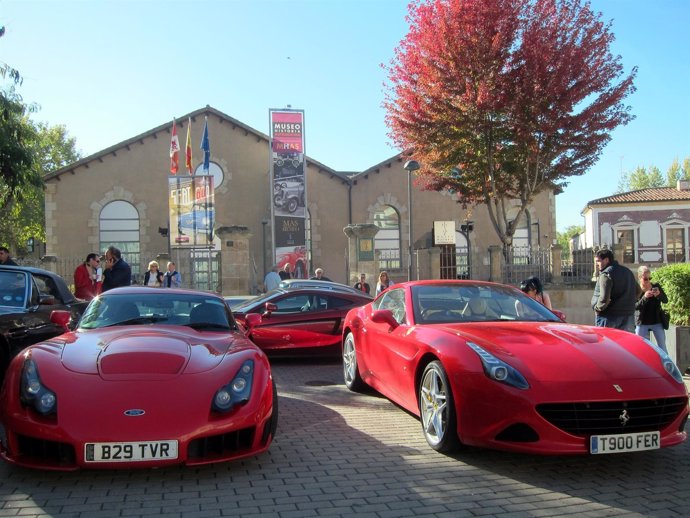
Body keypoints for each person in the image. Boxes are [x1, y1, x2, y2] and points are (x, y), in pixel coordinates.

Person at [591, 249, 637, 331]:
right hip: (628, 315)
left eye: (598, 261)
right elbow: (638, 290)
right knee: (625, 343)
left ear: (606, 260)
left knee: (606, 342)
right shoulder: (628, 272)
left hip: (609, 316)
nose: (596, 264)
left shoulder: (606, 274)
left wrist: (598, 308)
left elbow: (604, 297)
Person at [635, 265, 668, 352]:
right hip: (642, 322)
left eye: (650, 278)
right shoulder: (637, 289)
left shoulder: (655, 286)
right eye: (646, 279)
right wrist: (644, 297)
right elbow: (635, 306)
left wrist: (659, 295)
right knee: (638, 347)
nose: (648, 281)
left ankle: (665, 365)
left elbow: (665, 300)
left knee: (662, 347)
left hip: (656, 321)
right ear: (639, 277)